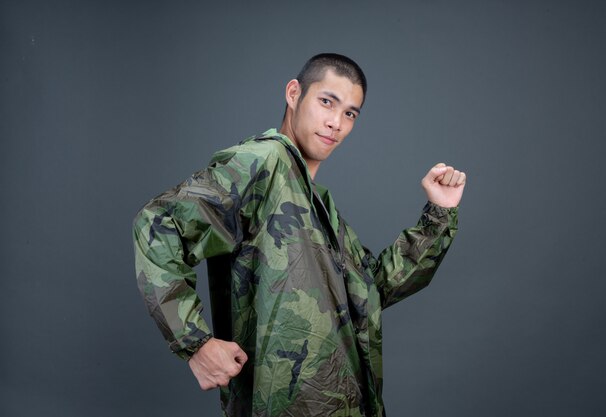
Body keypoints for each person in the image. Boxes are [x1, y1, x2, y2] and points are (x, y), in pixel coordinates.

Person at [133, 53, 466, 417]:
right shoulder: (265, 160)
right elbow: (158, 222)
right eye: (327, 102)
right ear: (294, 93)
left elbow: (370, 288)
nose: (335, 122)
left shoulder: (317, 202)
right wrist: (195, 343)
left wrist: (438, 214)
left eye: (350, 113)